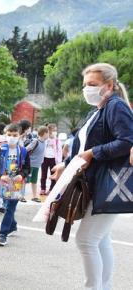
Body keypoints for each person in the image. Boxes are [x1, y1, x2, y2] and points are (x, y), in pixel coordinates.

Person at [51, 63, 133, 290]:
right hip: (94, 184)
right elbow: (83, 147)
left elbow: (127, 141)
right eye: (85, 84)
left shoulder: (116, 106)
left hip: (107, 185)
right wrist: (65, 166)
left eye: (92, 84)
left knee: (86, 240)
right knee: (100, 240)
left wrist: (93, 153)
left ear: (110, 85)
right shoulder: (97, 109)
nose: (87, 89)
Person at [0, 123, 30, 246]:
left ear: (20, 135)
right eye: (9, 135)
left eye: (15, 135)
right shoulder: (0, 150)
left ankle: (2, 234)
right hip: (3, 184)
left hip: (17, 185)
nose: (12, 137)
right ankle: (13, 226)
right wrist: (0, 175)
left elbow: (27, 168)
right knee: (7, 208)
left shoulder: (23, 151)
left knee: (10, 208)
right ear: (5, 135)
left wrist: (22, 175)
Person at [25, 126, 49, 203]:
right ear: (44, 133)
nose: (48, 135)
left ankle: (34, 196)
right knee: (25, 181)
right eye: (48, 133)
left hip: (37, 165)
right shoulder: (36, 141)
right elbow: (26, 149)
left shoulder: (44, 142)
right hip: (31, 164)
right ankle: (21, 196)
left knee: (34, 181)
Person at [40, 123, 62, 195]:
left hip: (53, 159)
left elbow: (59, 151)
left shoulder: (57, 140)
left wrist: (59, 162)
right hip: (44, 159)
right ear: (49, 131)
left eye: (56, 130)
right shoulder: (44, 139)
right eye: (53, 130)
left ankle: (51, 189)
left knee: (53, 174)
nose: (55, 132)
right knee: (43, 175)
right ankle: (42, 189)